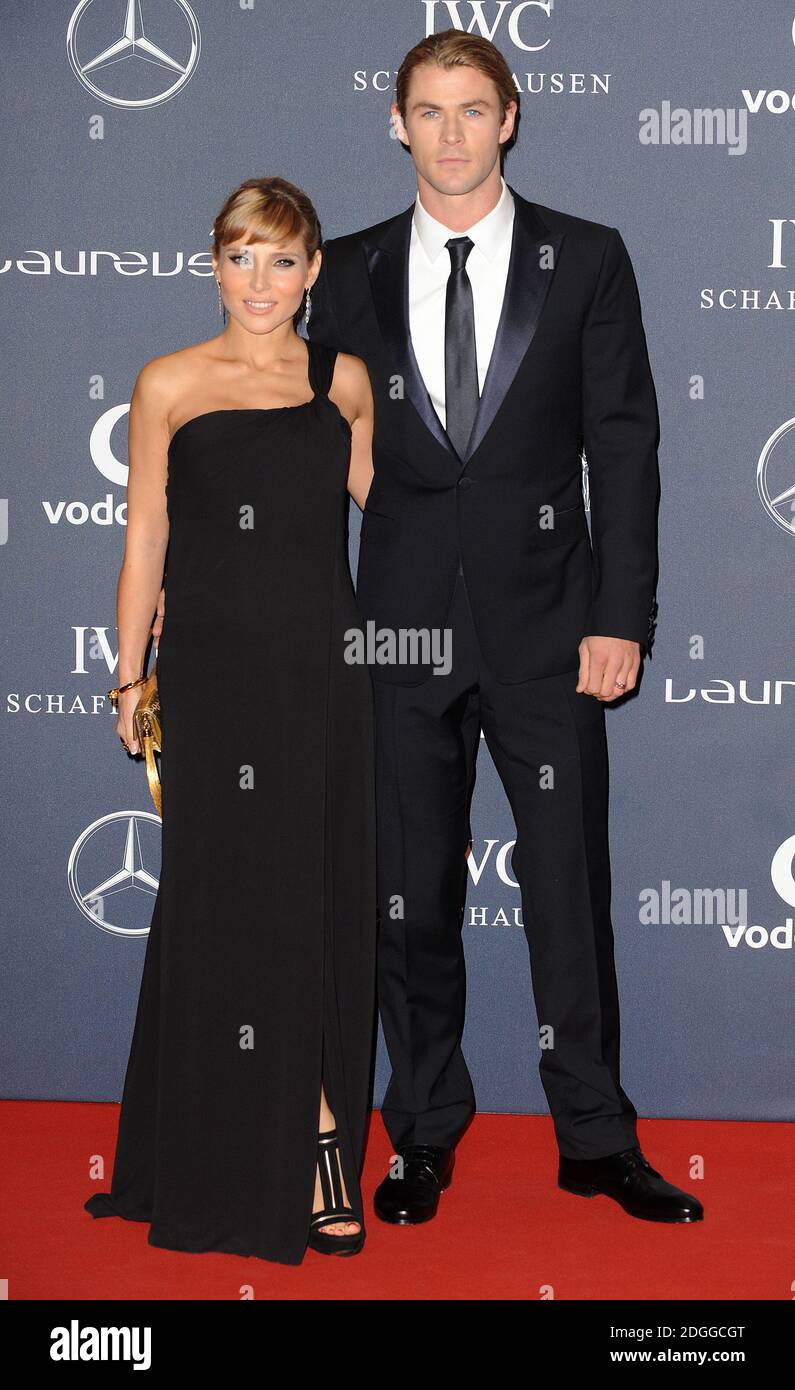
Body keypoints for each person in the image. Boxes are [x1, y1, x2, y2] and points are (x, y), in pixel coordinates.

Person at [302, 30, 704, 1227]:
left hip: (548, 625)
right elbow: (309, 449)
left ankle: (594, 1134)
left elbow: (625, 447)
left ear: (512, 116)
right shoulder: (348, 268)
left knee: (568, 891)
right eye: (429, 112)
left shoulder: (585, 257)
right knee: (403, 895)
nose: (453, 134)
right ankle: (420, 1133)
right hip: (396, 632)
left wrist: (620, 616)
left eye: (474, 109)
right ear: (397, 124)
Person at [84, 176, 378, 1263]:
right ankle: (301, 1138)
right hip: (210, 681)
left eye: (283, 260)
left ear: (312, 272)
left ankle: (313, 1124)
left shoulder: (342, 380)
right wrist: (129, 675)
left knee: (306, 899)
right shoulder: (169, 380)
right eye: (240, 257)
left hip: (323, 680)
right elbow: (146, 538)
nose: (260, 282)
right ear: (214, 262)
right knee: (226, 905)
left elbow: (390, 519)